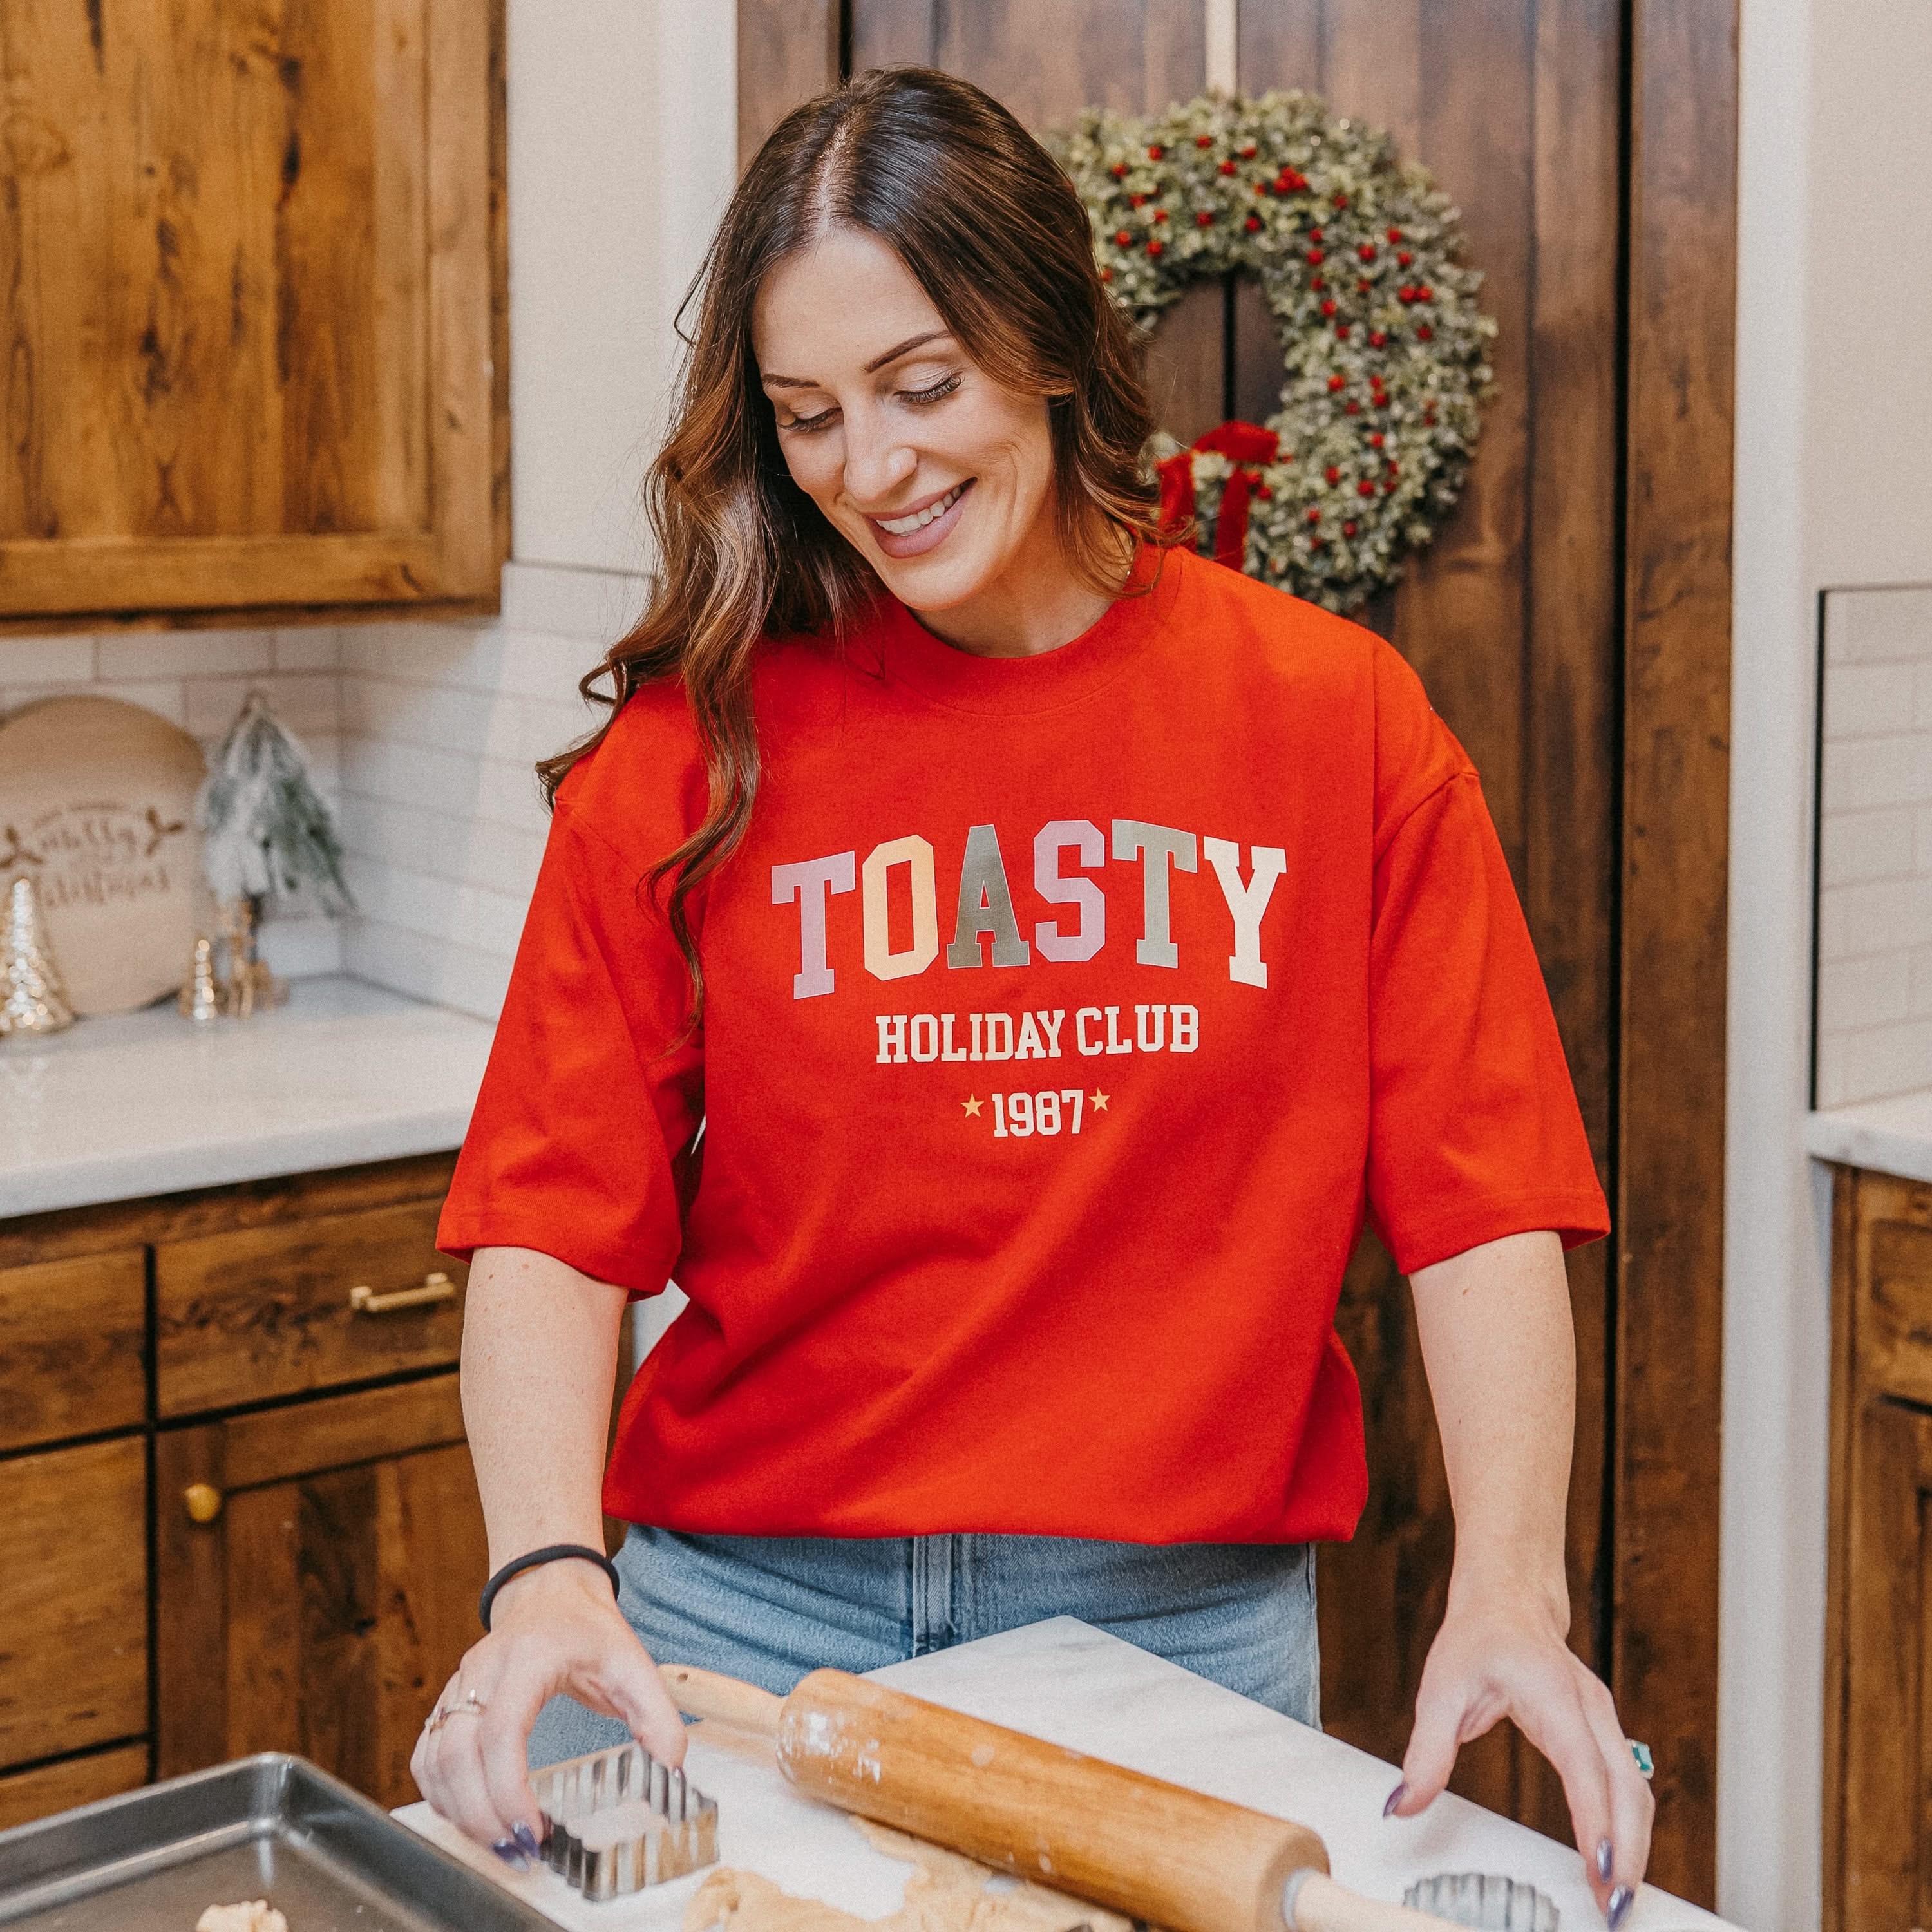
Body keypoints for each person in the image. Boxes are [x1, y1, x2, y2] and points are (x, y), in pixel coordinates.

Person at [411, 64, 1650, 1927]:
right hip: (737, 1626)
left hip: (1178, 1637)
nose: (871, 469)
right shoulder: (693, 752)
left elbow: (1483, 1202)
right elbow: (550, 1220)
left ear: (1053, 341)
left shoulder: (1336, 723)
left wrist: (1512, 1590)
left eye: (922, 386)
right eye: (809, 415)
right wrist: (543, 1574)